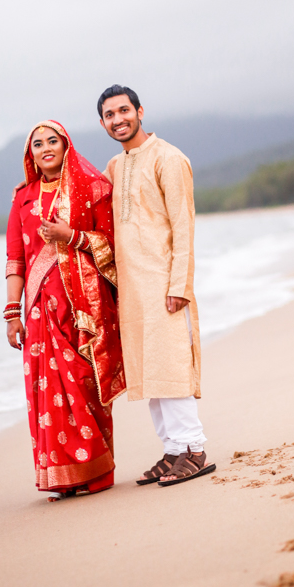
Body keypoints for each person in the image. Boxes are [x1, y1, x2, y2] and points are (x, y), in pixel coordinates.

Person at [98, 85, 215, 486]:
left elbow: (184, 225)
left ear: (140, 111)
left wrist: (179, 283)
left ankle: (195, 450)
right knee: (150, 372)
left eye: (124, 110)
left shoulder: (169, 157)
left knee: (172, 367)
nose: (118, 120)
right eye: (110, 115)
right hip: (132, 290)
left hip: (166, 284)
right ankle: (173, 450)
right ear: (102, 123)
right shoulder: (115, 166)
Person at [5, 120, 125, 500]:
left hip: (82, 306)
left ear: (65, 145)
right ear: (31, 155)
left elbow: (109, 243)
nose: (45, 149)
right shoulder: (22, 199)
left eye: (52, 141)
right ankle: (61, 476)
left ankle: (95, 472)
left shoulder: (91, 188)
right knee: (47, 392)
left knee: (83, 383)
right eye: (37, 144)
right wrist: (12, 313)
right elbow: (15, 260)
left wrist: (68, 236)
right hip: (40, 312)